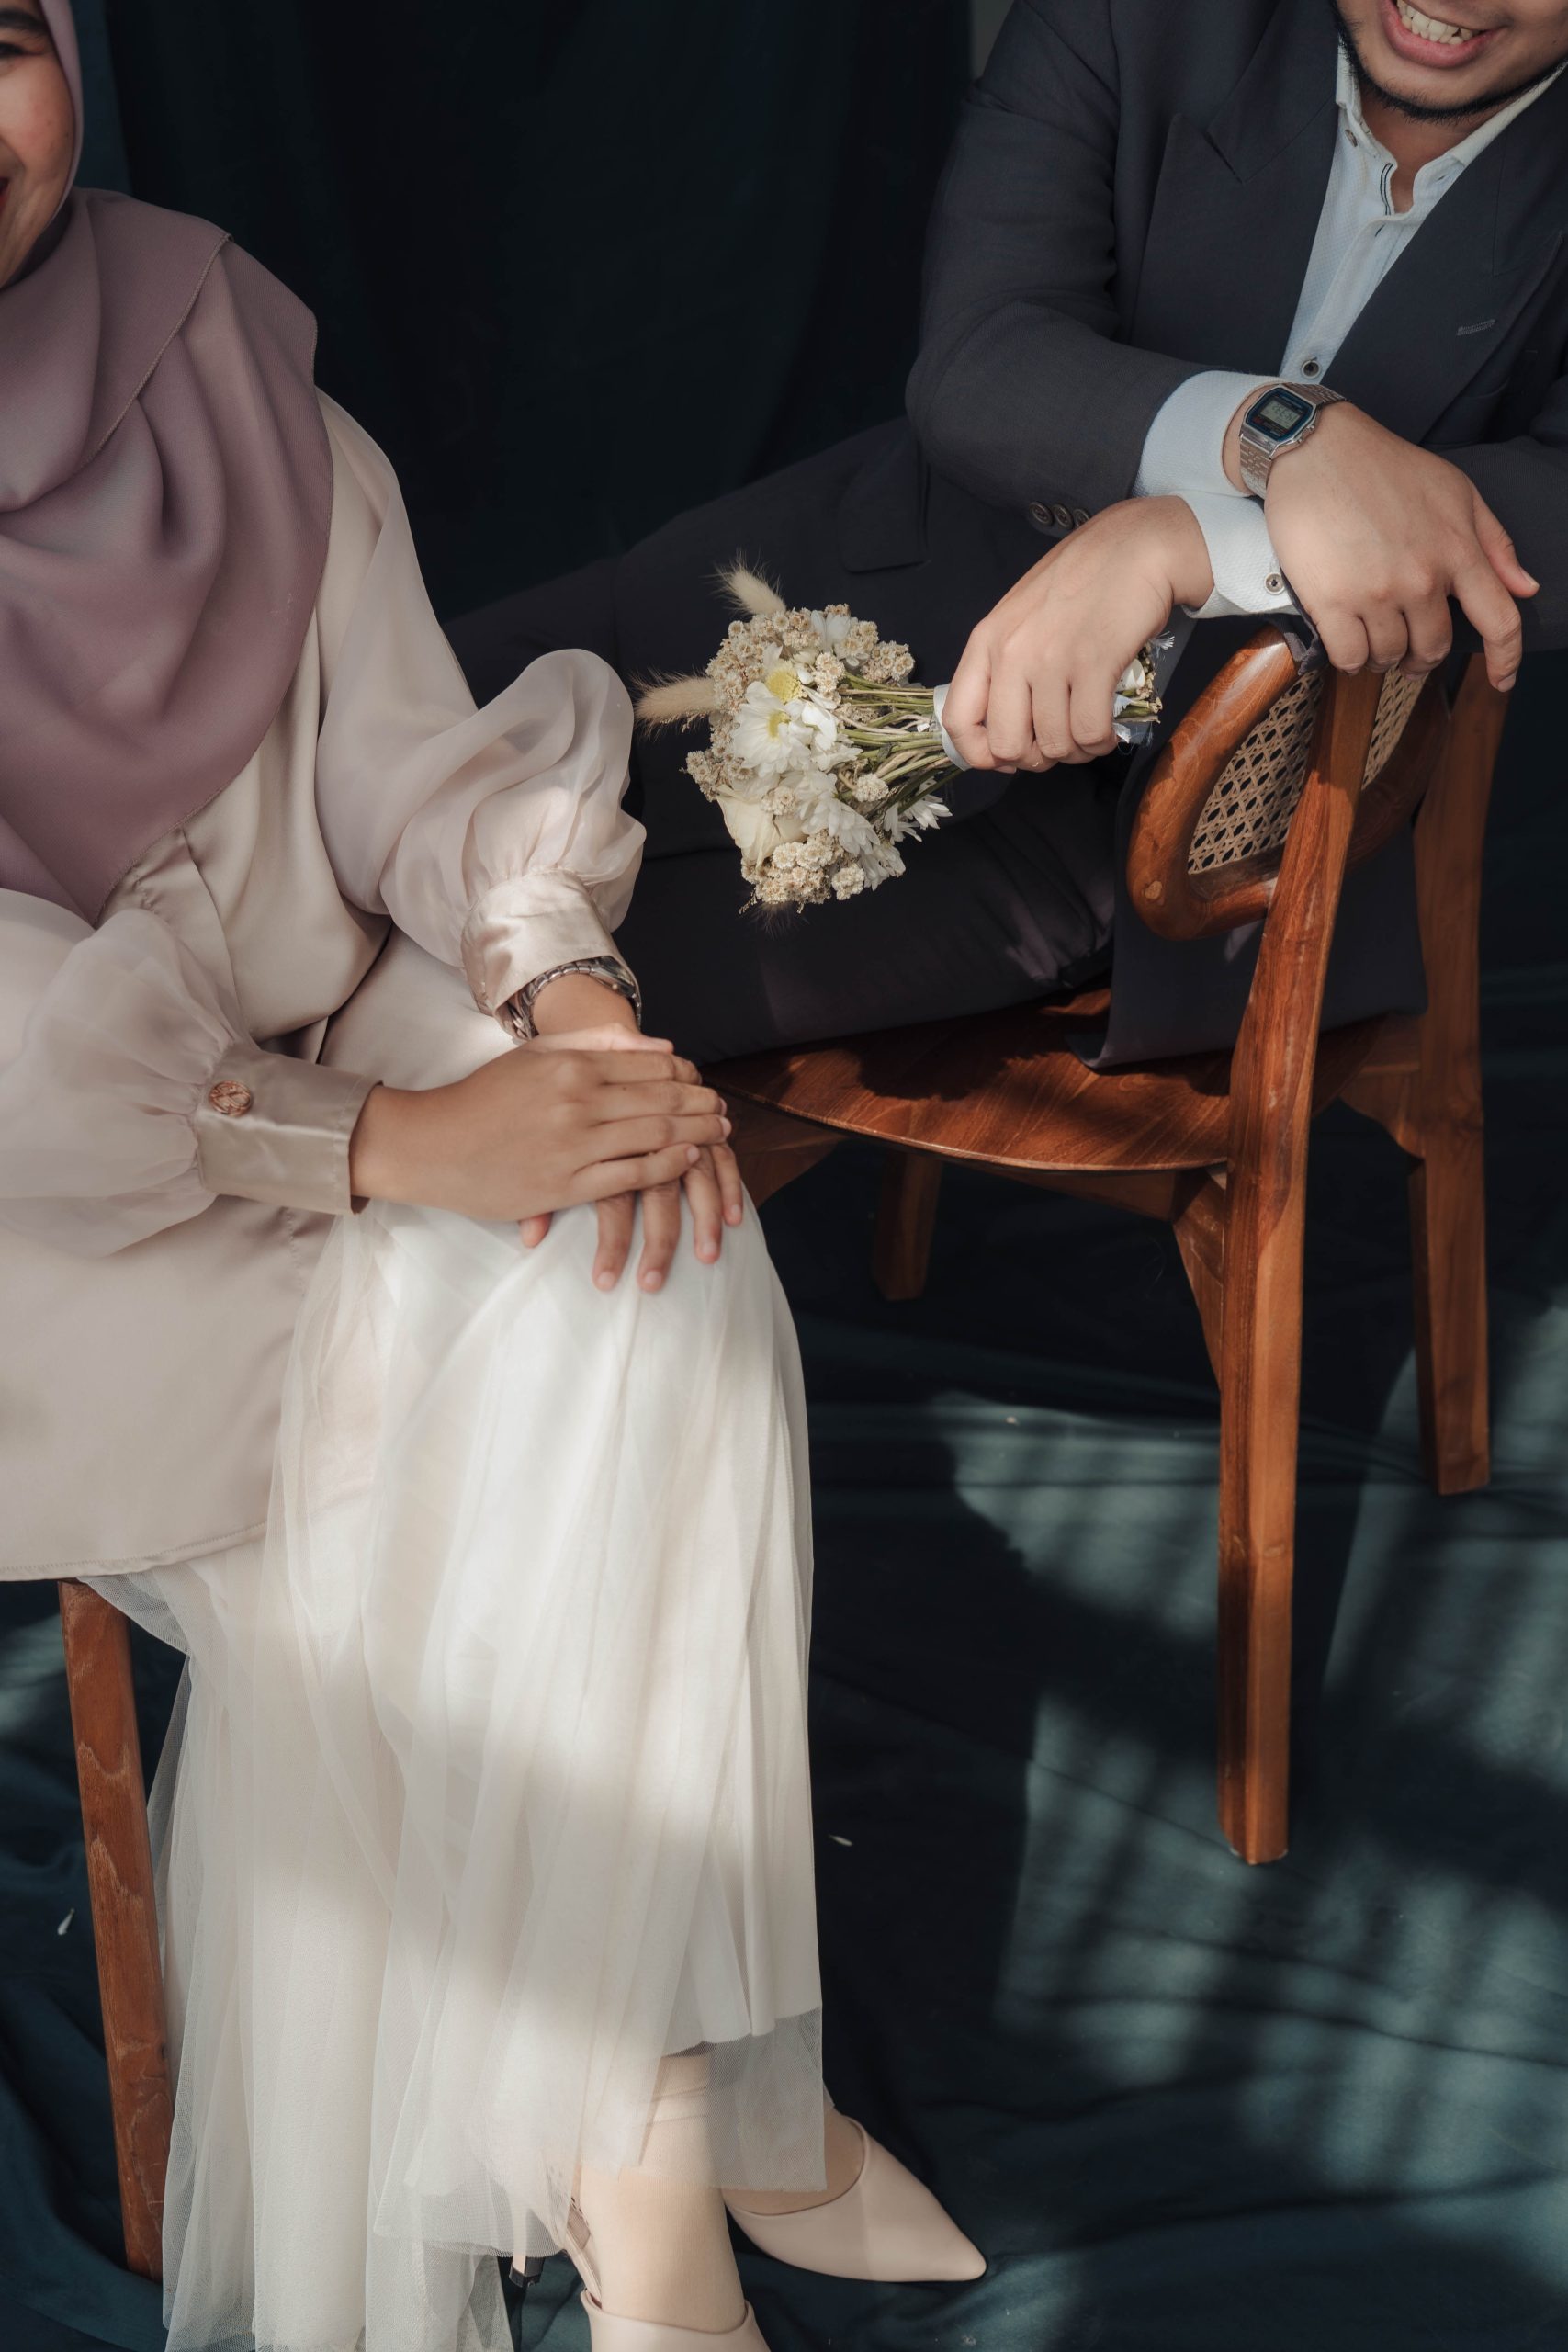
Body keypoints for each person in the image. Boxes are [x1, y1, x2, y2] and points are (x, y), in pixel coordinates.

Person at [0, 7, 983, 2349]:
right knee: (496, 1362)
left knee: (658, 1231)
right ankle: (705, 2123)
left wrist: (562, 994)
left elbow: (406, 753)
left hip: (336, 1024)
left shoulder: (194, 335)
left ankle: (660, 2137)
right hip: (65, 1217)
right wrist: (397, 1144)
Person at [453, 0, 1568, 1069]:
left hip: (1140, 844)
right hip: (842, 593)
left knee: (472, 1012)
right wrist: (1276, 434)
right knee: (373, 777)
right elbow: (986, 354)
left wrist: (1181, 540)